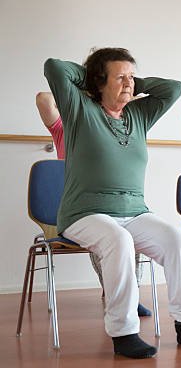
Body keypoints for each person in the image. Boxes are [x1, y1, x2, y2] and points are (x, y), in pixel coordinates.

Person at [44, 48, 181, 359]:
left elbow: (173, 88)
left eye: (132, 76)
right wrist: (92, 78)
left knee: (175, 239)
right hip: (83, 213)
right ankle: (124, 331)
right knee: (119, 240)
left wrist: (131, 82)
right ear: (99, 81)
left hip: (134, 211)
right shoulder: (79, 109)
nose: (129, 83)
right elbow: (55, 67)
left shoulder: (139, 115)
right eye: (120, 77)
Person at [36, 91, 151, 317]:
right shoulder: (64, 126)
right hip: (78, 206)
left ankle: (130, 293)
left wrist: (117, 95)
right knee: (105, 233)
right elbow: (44, 99)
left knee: (132, 231)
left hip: (113, 202)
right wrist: (85, 92)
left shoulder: (111, 125)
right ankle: (117, 293)